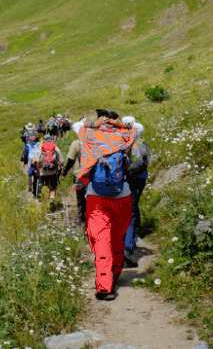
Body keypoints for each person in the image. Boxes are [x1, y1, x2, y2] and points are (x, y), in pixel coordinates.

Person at [72, 109, 135, 301]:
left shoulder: (88, 134)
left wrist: (95, 123)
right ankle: (114, 274)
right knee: (117, 238)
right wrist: (119, 124)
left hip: (96, 196)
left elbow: (78, 124)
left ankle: (104, 286)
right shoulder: (125, 135)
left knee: (101, 241)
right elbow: (136, 124)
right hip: (123, 195)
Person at [124, 121, 149, 267]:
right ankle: (129, 245)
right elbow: (142, 163)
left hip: (130, 181)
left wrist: (127, 173)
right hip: (138, 180)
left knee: (130, 211)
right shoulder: (141, 143)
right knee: (132, 211)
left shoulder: (131, 143)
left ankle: (127, 245)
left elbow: (138, 162)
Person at [33, 134, 63, 206]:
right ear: (51, 139)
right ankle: (51, 199)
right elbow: (61, 161)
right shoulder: (55, 147)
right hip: (53, 172)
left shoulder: (40, 147)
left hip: (42, 172)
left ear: (44, 139)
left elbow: (35, 161)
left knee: (42, 185)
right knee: (53, 187)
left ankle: (42, 201)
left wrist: (37, 169)